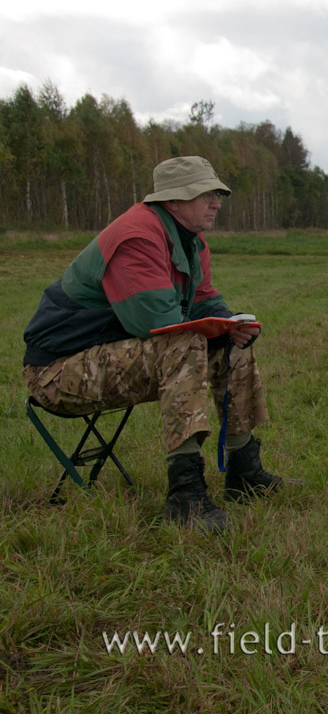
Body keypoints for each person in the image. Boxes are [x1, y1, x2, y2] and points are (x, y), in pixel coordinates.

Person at [22, 156, 287, 533]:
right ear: (174, 201)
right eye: (206, 194)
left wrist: (231, 324)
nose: (217, 203)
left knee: (232, 344)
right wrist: (213, 328)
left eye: (217, 194)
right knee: (182, 343)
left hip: (104, 357)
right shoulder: (137, 236)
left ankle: (245, 472)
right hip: (57, 373)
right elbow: (156, 325)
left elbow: (206, 300)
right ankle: (185, 496)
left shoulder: (191, 241)